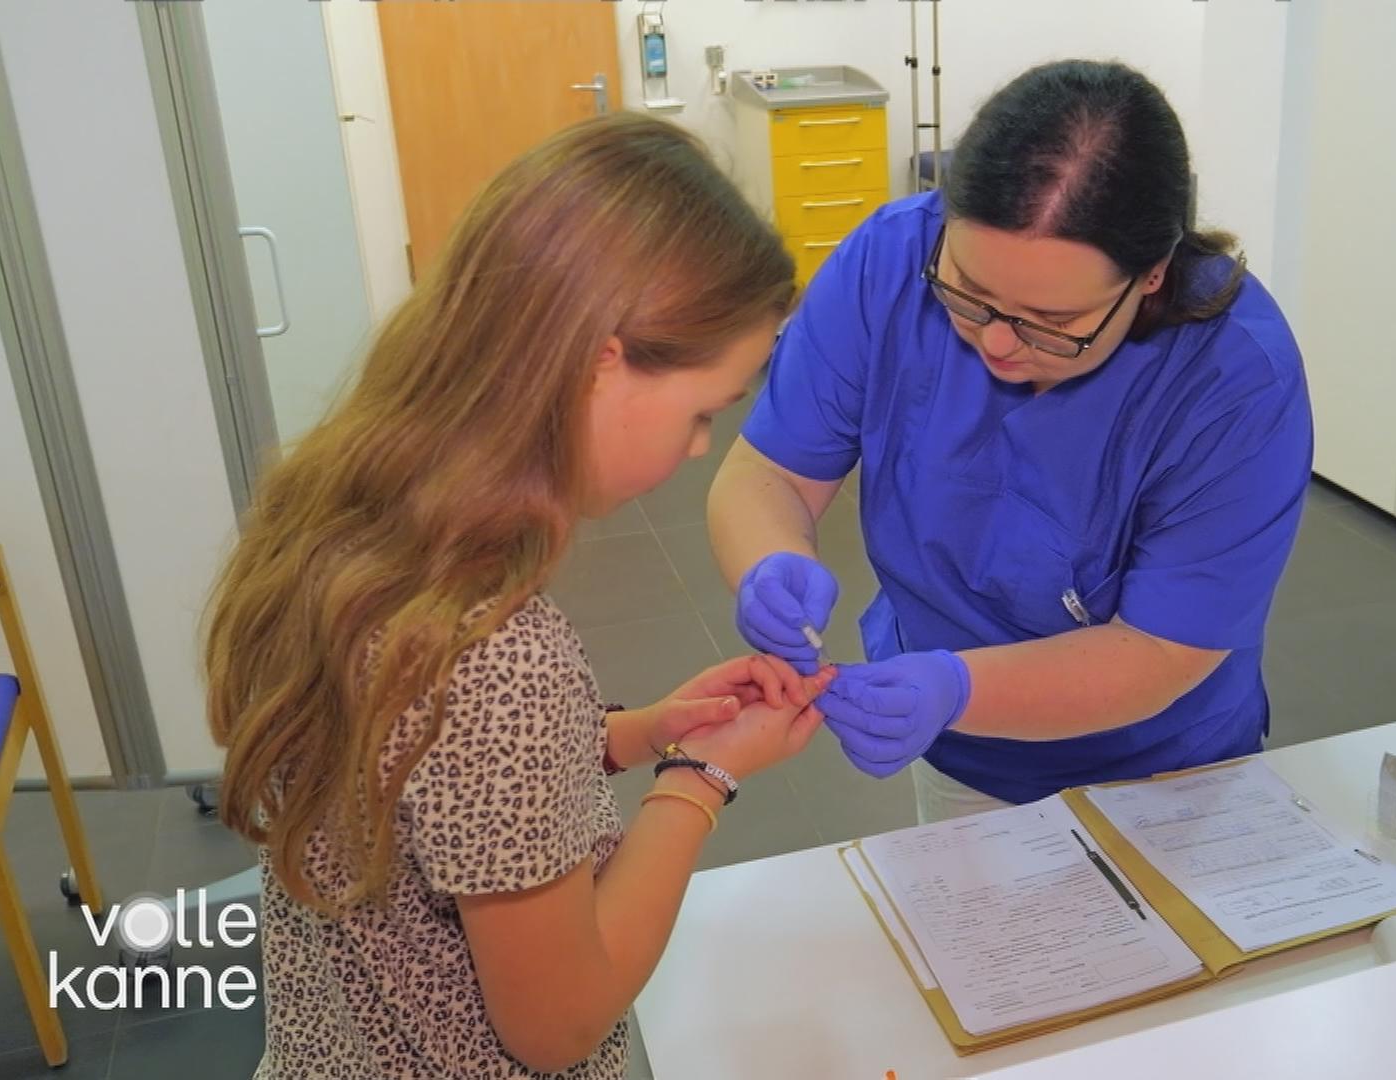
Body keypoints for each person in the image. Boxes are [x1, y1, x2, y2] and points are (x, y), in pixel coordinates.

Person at [204, 114, 830, 1079]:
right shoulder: (499, 654)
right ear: (599, 363)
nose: (702, 446)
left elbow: (425, 779)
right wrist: (699, 778)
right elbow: (558, 1024)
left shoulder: (336, 517)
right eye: (702, 411)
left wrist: (637, 732)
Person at [709, 60, 1313, 822]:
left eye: (1054, 323)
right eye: (968, 291)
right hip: (962, 754)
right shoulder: (889, 264)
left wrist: (958, 686)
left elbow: (1162, 649)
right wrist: (770, 561)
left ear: (1152, 275)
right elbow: (768, 472)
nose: (996, 342)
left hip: (1166, 769)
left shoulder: (1234, 376)